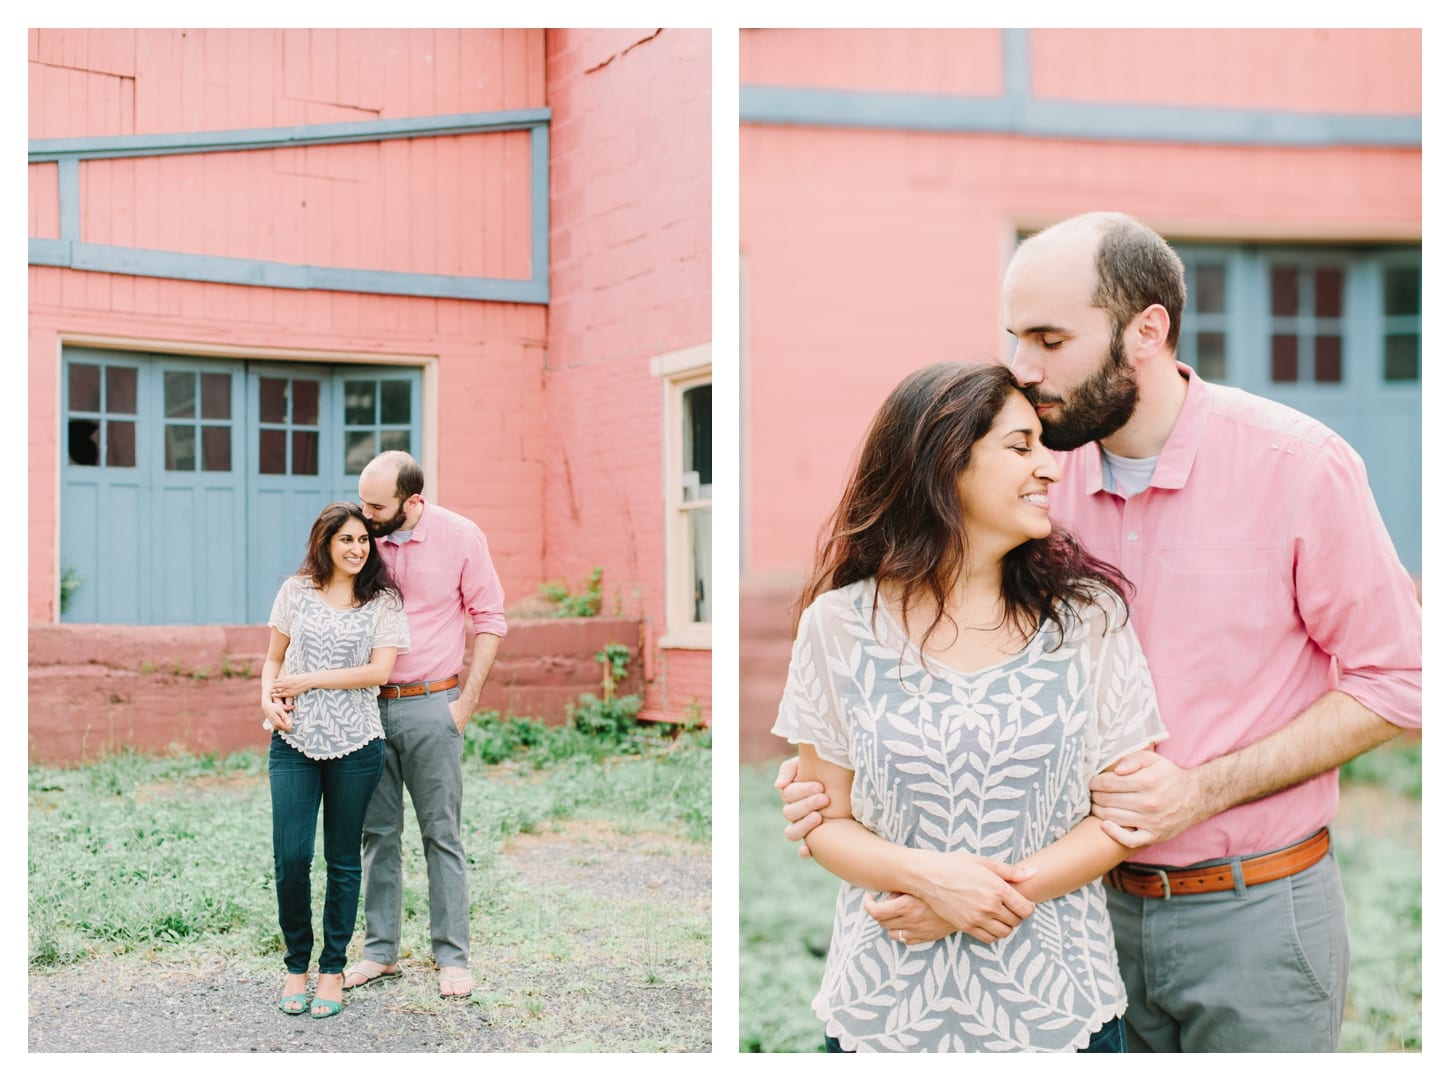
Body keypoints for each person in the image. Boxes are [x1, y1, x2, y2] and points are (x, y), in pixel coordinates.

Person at [776, 211, 1423, 1052]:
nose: (1024, 366)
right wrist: (843, 792)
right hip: (1074, 919)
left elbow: (1403, 679)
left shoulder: (1298, 465)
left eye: (1049, 338)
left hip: (1250, 911)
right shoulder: (1030, 475)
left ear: (1146, 329)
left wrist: (1201, 789)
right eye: (1016, 336)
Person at [773, 361, 1168, 1052]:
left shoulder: (1089, 619)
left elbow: (1123, 818)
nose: (1050, 467)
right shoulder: (836, 626)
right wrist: (930, 877)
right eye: (1021, 447)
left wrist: (969, 902)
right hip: (885, 1013)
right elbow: (823, 820)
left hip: (1060, 1012)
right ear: (944, 463)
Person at [339, 450, 507, 1000]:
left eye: (376, 505)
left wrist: (465, 704)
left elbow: (490, 619)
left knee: (442, 834)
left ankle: (452, 958)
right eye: (362, 501)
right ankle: (379, 952)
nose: (364, 514)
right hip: (366, 705)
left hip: (432, 705)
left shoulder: (461, 537)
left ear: (412, 501)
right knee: (376, 834)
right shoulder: (360, 540)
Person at [261, 501, 409, 1019]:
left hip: (356, 743)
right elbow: (274, 660)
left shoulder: (383, 599)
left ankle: (331, 971)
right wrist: (267, 698)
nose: (356, 548)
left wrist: (308, 680)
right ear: (325, 542)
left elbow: (379, 672)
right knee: (291, 859)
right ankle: (296, 966)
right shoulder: (295, 592)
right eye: (346, 539)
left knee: (343, 861)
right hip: (294, 741)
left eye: (363, 540)